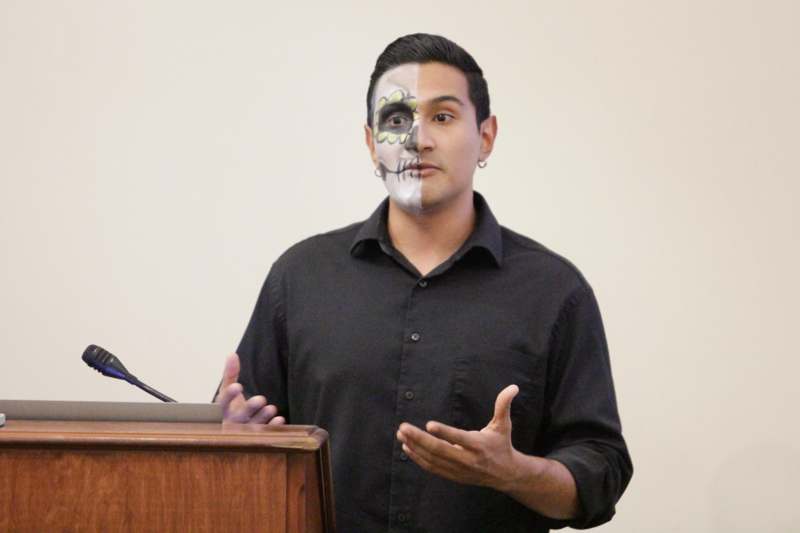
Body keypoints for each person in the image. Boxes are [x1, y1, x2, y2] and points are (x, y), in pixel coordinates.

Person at [214, 33, 632, 532]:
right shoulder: (300, 277)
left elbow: (602, 473)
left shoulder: (554, 291)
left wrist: (515, 473)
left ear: (487, 135)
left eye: (442, 116)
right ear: (371, 143)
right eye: (396, 120)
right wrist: (229, 438)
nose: (418, 139)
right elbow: (245, 438)